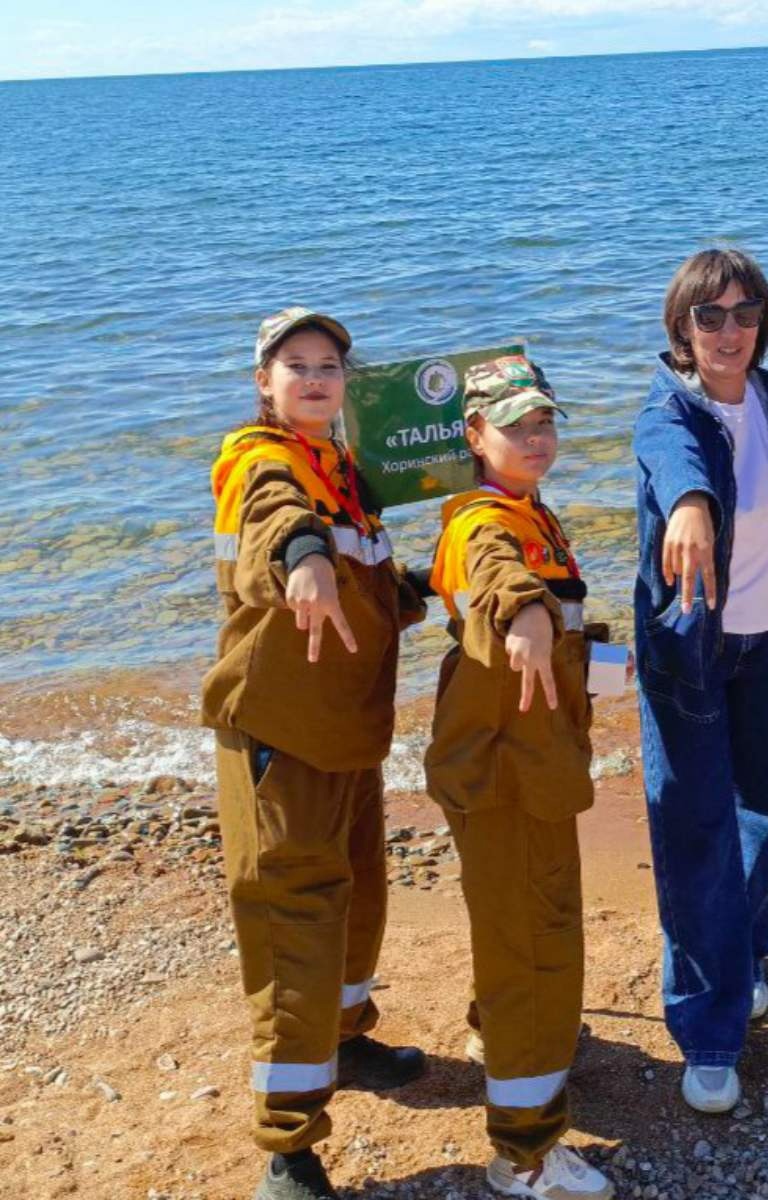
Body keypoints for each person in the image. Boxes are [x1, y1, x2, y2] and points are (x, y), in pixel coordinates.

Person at [203, 307, 427, 1200]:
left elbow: (364, 584)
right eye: (294, 364)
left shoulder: (345, 471)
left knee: (361, 892)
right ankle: (287, 1145)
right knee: (294, 916)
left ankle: (347, 1036)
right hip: (280, 732)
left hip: (350, 732)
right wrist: (303, 560)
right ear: (265, 383)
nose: (314, 377)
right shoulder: (259, 462)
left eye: (328, 364)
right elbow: (274, 527)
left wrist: (422, 585)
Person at [633, 248, 768, 1114]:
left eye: (745, 313)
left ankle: (743, 954)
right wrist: (689, 506)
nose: (728, 331)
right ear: (682, 327)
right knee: (697, 830)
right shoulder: (667, 407)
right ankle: (707, 1031)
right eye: (709, 316)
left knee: (761, 814)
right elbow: (675, 462)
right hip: (693, 659)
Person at [422, 355, 615, 1199]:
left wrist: (594, 654)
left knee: (514, 925)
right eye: (515, 427)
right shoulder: (482, 522)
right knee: (532, 939)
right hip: (508, 771)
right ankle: (525, 1154)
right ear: (474, 435)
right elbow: (499, 574)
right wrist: (529, 613)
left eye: (544, 424)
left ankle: (492, 1033)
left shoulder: (529, 509)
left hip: (525, 762)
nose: (536, 438)